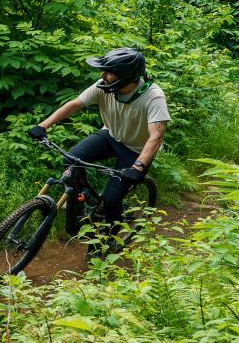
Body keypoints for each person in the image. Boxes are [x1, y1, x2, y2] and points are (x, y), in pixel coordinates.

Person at [27, 47, 169, 242]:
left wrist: (139, 166)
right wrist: (42, 126)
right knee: (70, 160)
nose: (103, 75)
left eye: (109, 72)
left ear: (126, 77)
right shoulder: (104, 86)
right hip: (110, 135)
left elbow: (156, 136)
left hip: (136, 150)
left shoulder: (153, 96)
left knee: (111, 200)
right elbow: (75, 104)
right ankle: (86, 201)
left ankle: (108, 239)